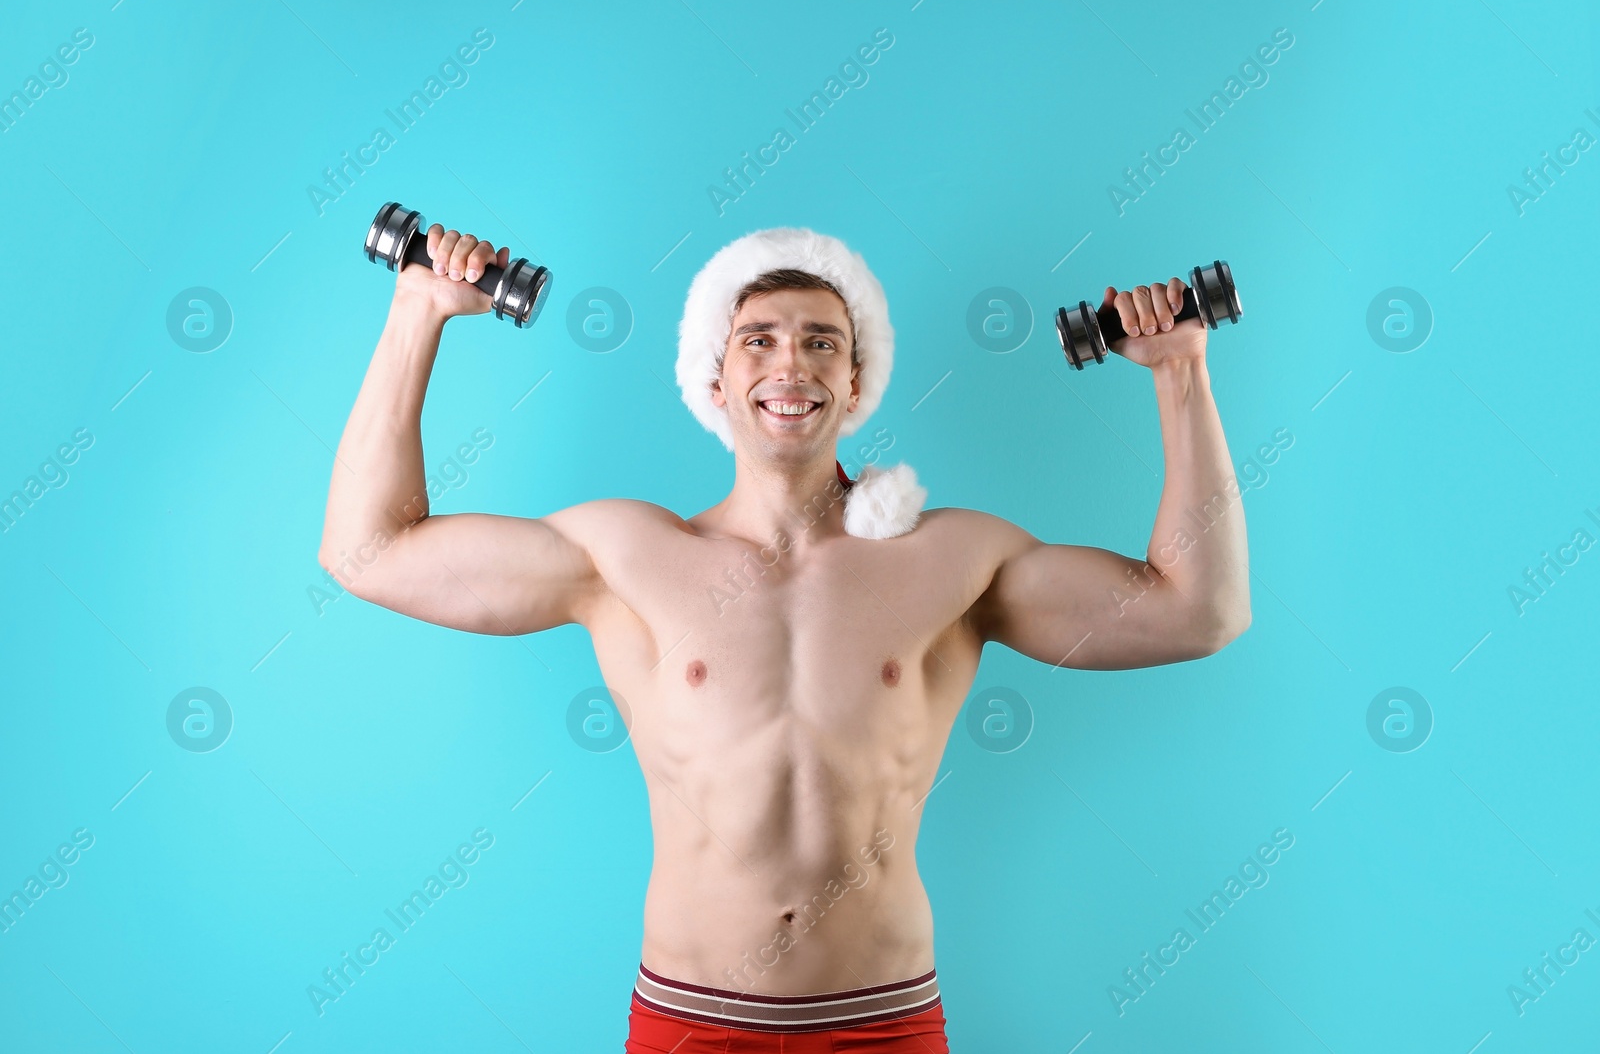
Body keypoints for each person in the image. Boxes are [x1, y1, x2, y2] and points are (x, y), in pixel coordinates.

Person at [319, 222, 1251, 1051]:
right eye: (757, 341)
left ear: (856, 382)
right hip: (693, 1023)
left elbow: (1197, 611)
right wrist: (419, 309)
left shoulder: (953, 559)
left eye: (821, 343)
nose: (790, 365)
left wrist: (1181, 372)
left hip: (883, 1022)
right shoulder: (625, 556)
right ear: (714, 378)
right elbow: (367, 552)